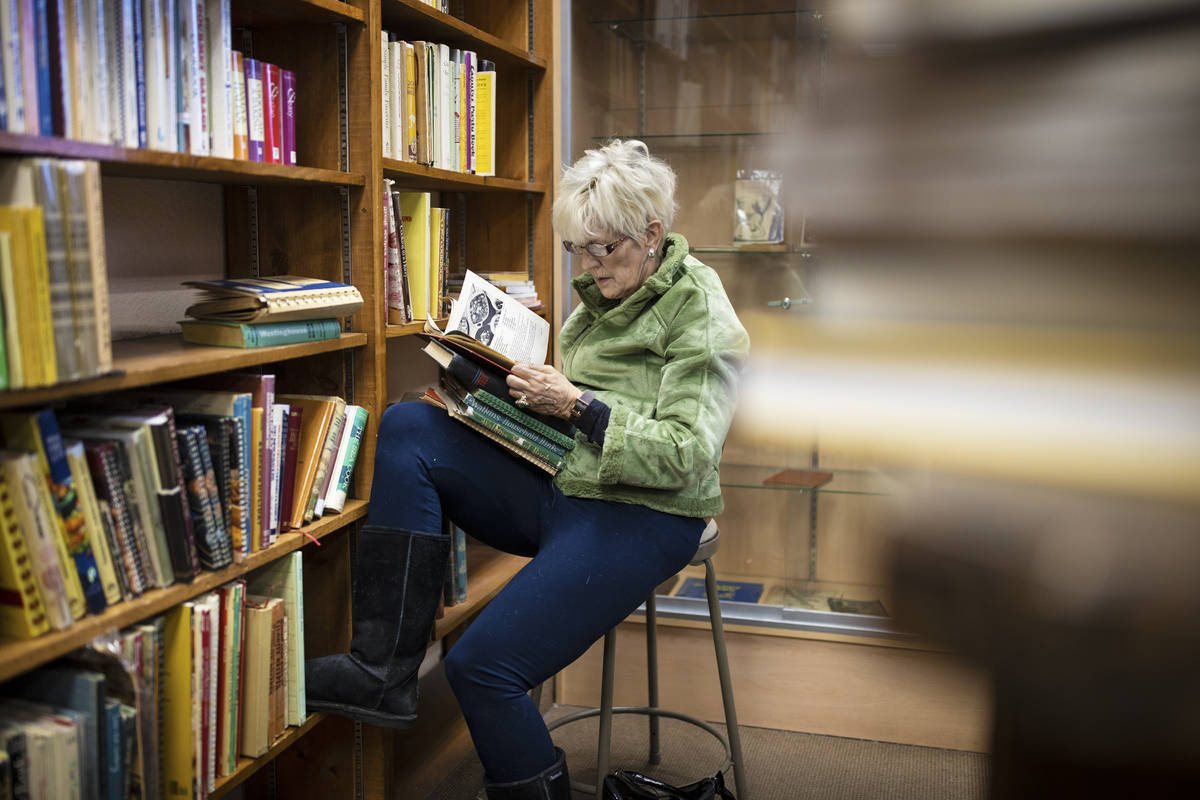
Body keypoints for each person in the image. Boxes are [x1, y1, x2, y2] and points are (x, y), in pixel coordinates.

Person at [306, 139, 750, 800]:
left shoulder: (700, 311)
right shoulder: (606, 293)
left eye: (604, 248)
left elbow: (688, 454)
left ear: (653, 233)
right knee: (410, 426)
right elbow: (581, 417)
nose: (591, 266)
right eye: (579, 248)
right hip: (569, 480)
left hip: (647, 513)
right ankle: (384, 669)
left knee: (482, 668)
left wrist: (579, 405)